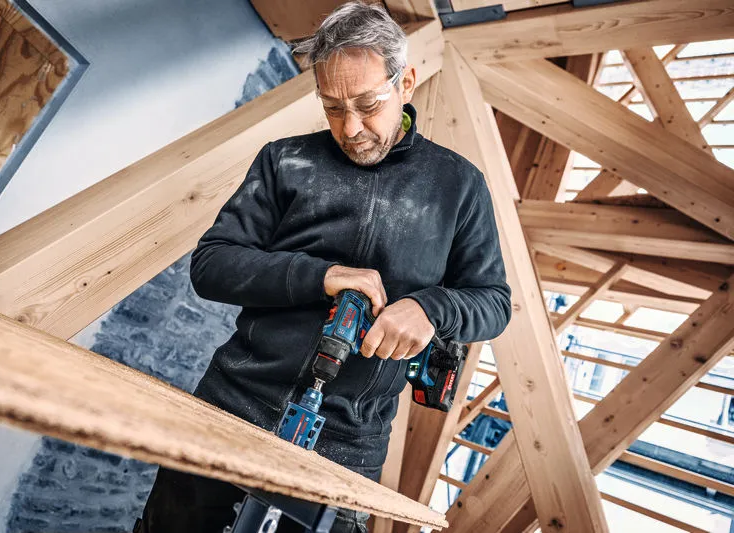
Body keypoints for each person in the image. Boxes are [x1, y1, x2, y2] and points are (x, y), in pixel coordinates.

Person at [134, 2, 511, 531]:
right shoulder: (284, 160)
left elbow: (493, 302)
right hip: (231, 407)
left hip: (348, 445)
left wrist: (432, 308)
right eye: (332, 107)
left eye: (367, 104)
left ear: (405, 83)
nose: (350, 128)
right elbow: (212, 264)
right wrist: (322, 276)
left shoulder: (459, 186)